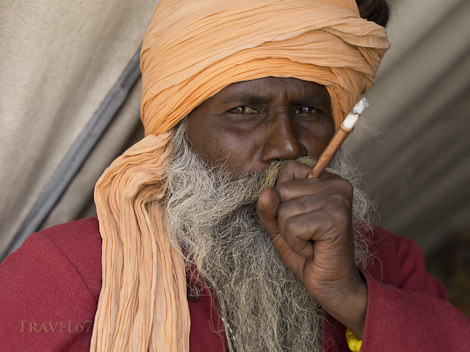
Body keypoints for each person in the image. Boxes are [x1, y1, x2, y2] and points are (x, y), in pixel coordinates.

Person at [1, 0, 469, 351]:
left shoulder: (388, 268)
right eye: (244, 111)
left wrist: (354, 300)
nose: (288, 145)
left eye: (308, 109)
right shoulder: (72, 271)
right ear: (176, 132)